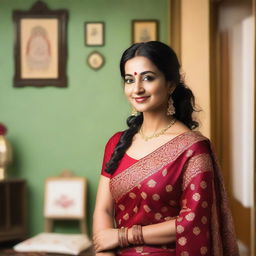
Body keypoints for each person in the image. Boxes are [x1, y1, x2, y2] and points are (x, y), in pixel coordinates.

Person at [93, 41, 239, 256]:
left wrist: (123, 235)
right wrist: (104, 252)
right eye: (129, 80)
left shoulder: (193, 148)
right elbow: (103, 209)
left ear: (171, 84)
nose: (137, 88)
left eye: (148, 78)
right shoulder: (116, 143)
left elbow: (194, 220)